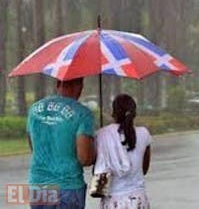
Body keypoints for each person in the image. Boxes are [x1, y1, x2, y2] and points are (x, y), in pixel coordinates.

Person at [27, 78, 95, 209]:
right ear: (79, 85)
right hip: (68, 187)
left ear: (58, 84)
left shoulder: (34, 109)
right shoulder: (82, 113)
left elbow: (33, 147)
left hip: (38, 185)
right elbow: (85, 158)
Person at [94, 94, 152, 209]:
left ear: (113, 112)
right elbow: (144, 169)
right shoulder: (144, 133)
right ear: (134, 112)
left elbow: (97, 168)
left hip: (112, 201)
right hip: (138, 201)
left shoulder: (102, 134)